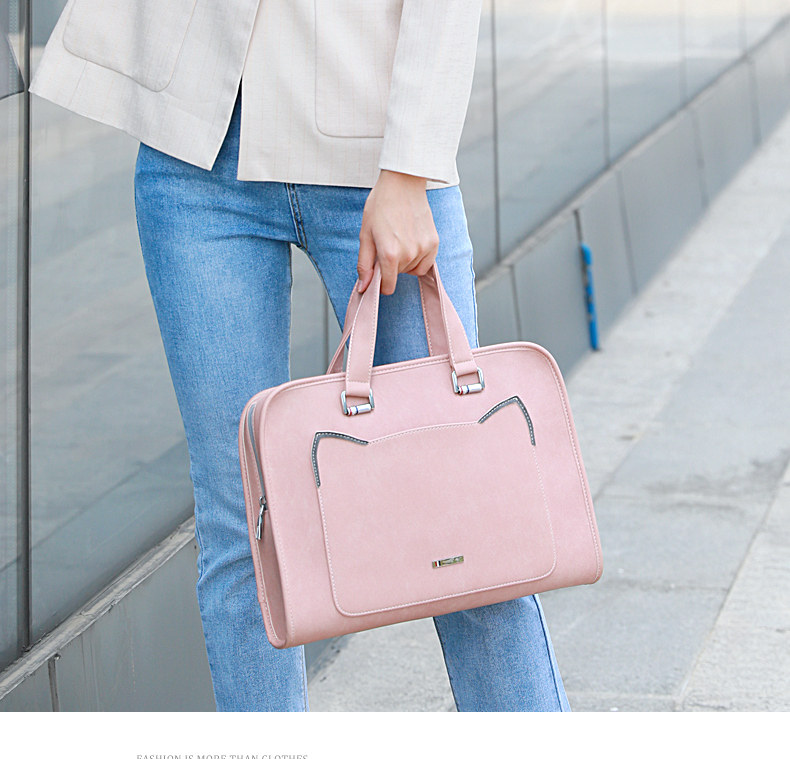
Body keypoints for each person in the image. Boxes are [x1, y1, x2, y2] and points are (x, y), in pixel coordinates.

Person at [29, 0, 570, 712]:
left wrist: (410, 166)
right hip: (198, 153)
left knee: (466, 521)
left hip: (374, 155)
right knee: (242, 526)